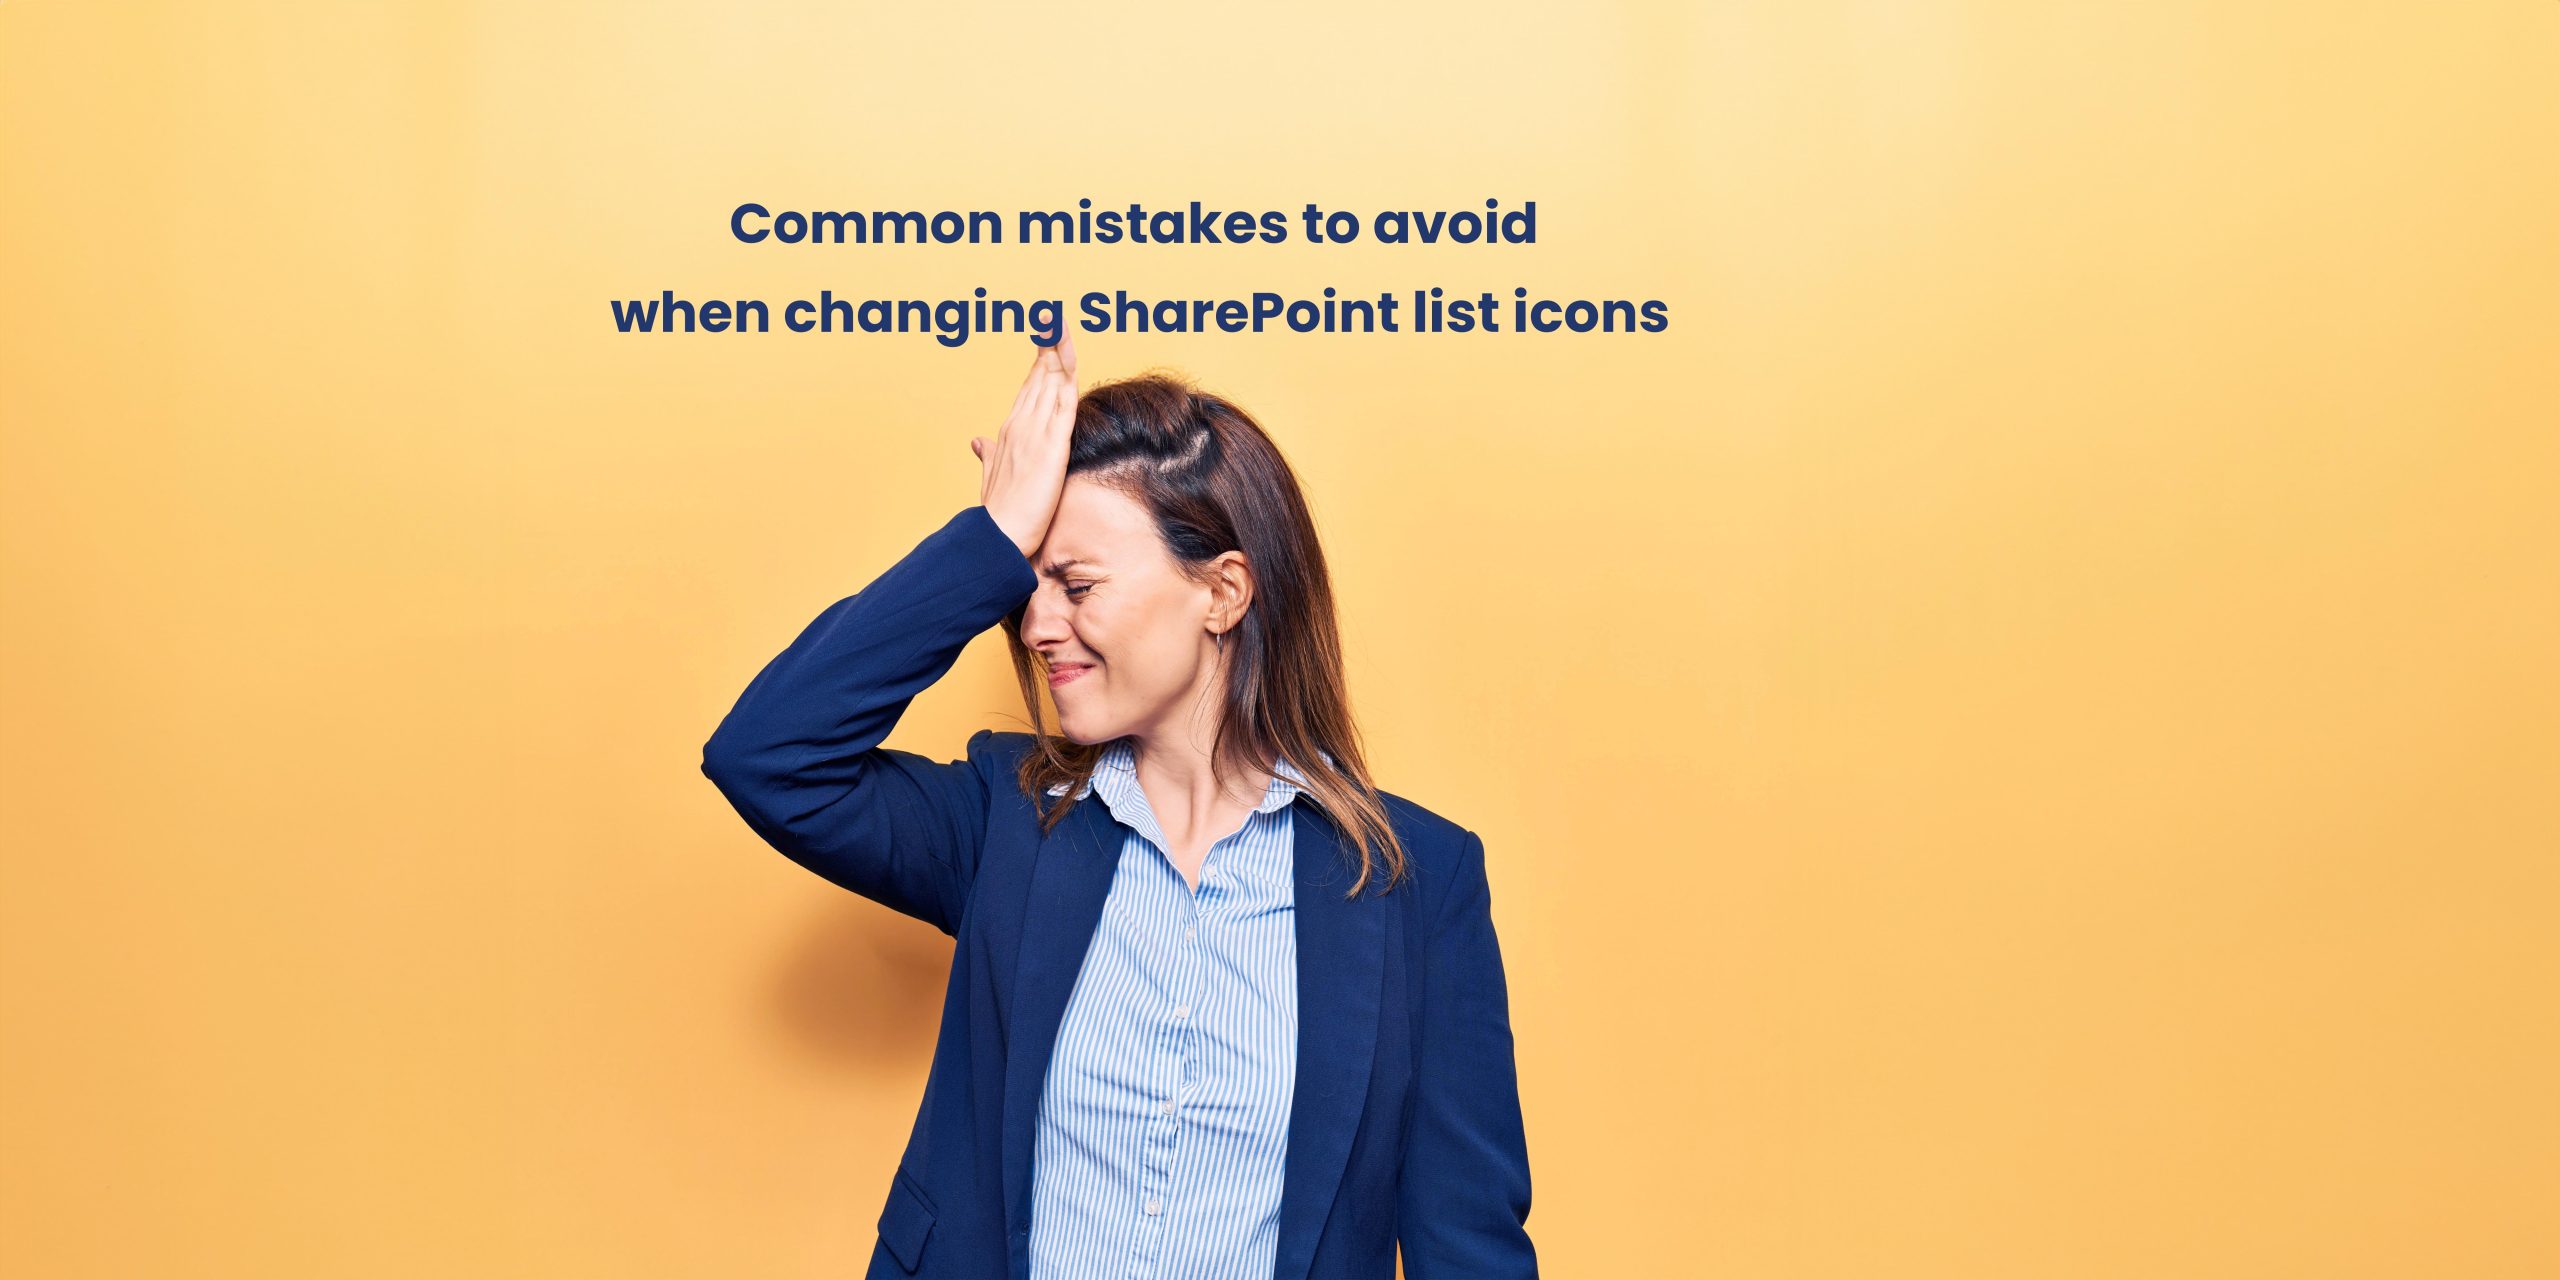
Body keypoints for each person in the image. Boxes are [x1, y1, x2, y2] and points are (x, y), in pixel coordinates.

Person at [699, 334, 1536, 1280]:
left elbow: (1468, 1247)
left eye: (1077, 584)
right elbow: (768, 756)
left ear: (1222, 592)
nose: (1034, 624)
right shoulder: (1006, 822)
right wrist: (990, 540)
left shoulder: (1416, 884)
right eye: (1028, 585)